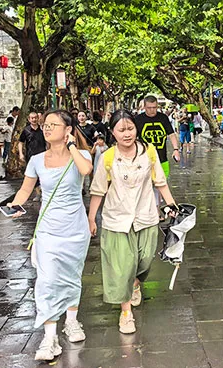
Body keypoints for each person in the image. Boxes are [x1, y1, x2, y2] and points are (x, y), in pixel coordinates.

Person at [5, 110, 93, 362]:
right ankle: (49, 336)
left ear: (67, 129)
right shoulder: (36, 159)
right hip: (48, 230)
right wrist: (14, 205)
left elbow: (86, 170)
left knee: (72, 276)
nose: (46, 128)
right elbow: (25, 189)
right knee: (46, 281)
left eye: (53, 125)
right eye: (45, 125)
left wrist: (72, 145)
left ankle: (72, 321)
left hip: (75, 229)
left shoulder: (82, 155)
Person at [87, 109, 180, 335]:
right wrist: (91, 217)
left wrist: (171, 204)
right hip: (116, 219)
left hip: (145, 216)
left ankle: (136, 283)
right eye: (121, 130)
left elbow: (160, 180)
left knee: (145, 259)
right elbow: (98, 189)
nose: (127, 134)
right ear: (113, 132)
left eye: (130, 128)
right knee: (122, 266)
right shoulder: (108, 157)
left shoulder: (149, 152)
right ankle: (126, 312)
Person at [134, 96, 180, 178]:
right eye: (149, 108)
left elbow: (171, 134)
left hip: (162, 158)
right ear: (144, 107)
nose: (152, 110)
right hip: (145, 159)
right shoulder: (138, 119)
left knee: (162, 185)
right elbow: (133, 138)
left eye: (154, 107)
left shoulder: (163, 118)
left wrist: (176, 149)